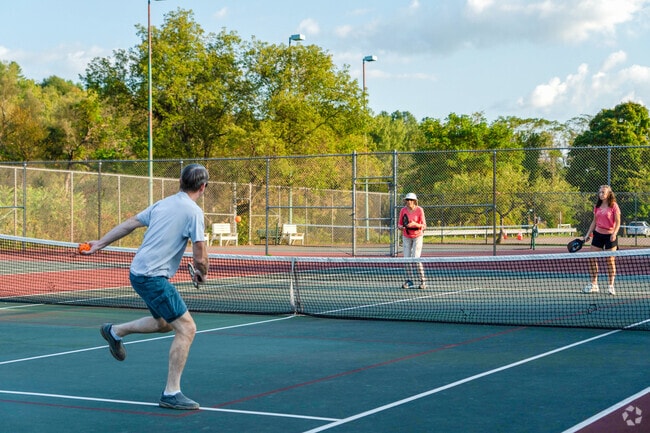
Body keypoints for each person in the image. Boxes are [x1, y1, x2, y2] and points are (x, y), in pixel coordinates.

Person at [83, 163, 210, 410]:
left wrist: (100, 243)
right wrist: (201, 272)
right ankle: (171, 393)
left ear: (181, 182)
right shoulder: (194, 212)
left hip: (138, 272)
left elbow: (130, 223)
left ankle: (115, 331)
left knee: (164, 323)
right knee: (187, 328)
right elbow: (200, 254)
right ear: (203, 187)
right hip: (152, 277)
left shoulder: (163, 203)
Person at [582, 185, 621, 295]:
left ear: (609, 193)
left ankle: (611, 285)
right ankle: (594, 284)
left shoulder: (614, 206)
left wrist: (614, 233)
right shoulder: (597, 206)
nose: (601, 194)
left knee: (610, 261)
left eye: (603, 192)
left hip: (610, 235)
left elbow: (618, 222)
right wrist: (588, 235)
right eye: (600, 192)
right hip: (598, 234)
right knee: (591, 258)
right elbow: (594, 222)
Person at [397, 192, 427, 289]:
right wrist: (401, 227)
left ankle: (422, 280)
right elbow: (399, 224)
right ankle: (409, 280)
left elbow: (424, 226)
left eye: (410, 200)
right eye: (407, 200)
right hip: (406, 236)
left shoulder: (420, 210)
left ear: (414, 201)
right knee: (407, 259)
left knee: (416, 258)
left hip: (417, 236)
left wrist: (415, 224)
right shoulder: (403, 210)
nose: (408, 202)